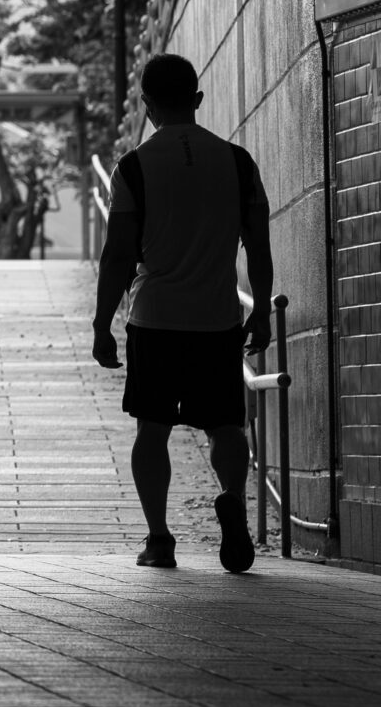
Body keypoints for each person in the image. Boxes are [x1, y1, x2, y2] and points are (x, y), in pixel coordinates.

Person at [93, 54, 273, 573]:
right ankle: (232, 498)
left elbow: (118, 254)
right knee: (225, 425)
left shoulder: (133, 167)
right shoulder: (238, 162)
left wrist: (102, 324)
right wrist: (261, 310)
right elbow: (258, 248)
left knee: (152, 430)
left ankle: (159, 539)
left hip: (154, 319)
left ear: (146, 106)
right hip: (217, 318)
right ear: (197, 99)